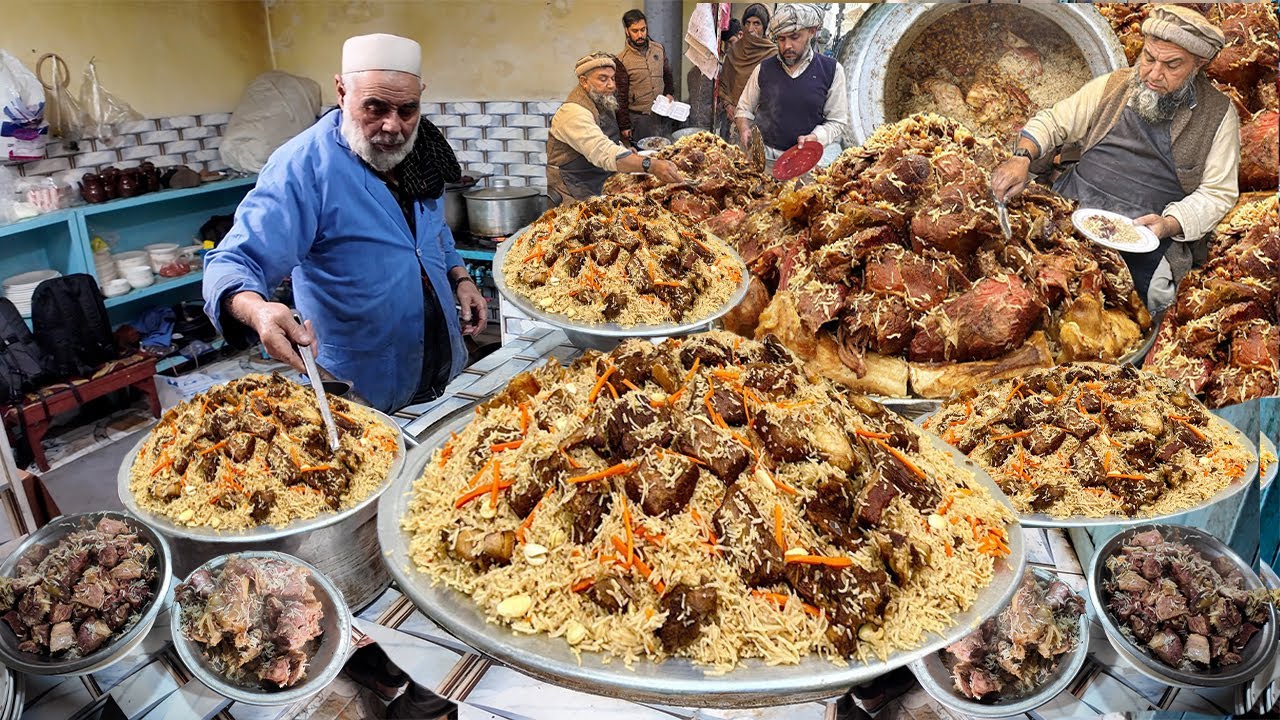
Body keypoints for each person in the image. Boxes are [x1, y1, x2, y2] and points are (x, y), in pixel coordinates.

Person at [203, 33, 486, 413]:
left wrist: (460, 277)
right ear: (340, 91)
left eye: (407, 109)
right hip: (361, 384)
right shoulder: (303, 168)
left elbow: (432, 233)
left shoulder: (422, 150)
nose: (393, 126)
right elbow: (233, 262)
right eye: (375, 107)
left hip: (442, 361)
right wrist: (257, 310)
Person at [991, 4, 1239, 311]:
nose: (1153, 73)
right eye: (1149, 57)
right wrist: (1021, 158)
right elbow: (1054, 122)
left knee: (1151, 303)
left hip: (1145, 236)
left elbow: (1218, 193)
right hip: (1072, 207)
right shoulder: (1114, 85)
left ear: (1198, 65)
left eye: (1172, 65)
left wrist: (1170, 223)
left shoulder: (1218, 115)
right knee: (1018, 278)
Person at [546, 52, 684, 204]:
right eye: (603, 79)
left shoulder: (600, 100)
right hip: (573, 188)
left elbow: (604, 137)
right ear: (584, 81)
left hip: (598, 179)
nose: (611, 85)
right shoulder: (573, 113)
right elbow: (602, 151)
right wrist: (650, 165)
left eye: (612, 78)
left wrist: (624, 150)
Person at [734, 3, 849, 161]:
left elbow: (836, 120)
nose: (787, 45)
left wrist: (816, 137)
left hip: (805, 161)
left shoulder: (832, 70)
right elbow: (744, 109)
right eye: (781, 39)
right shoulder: (763, 69)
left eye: (794, 37)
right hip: (764, 157)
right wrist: (744, 128)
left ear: (812, 32)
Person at [615, 9, 675, 142]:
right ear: (627, 31)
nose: (640, 34)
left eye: (643, 29)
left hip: (662, 113)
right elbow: (621, 96)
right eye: (635, 31)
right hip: (640, 118)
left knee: (666, 150)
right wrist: (624, 125)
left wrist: (669, 93)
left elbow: (667, 75)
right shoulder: (622, 60)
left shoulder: (658, 49)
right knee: (645, 155)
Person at [718, 4, 776, 142]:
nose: (750, 29)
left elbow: (777, 91)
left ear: (765, 27)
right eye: (747, 23)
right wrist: (728, 106)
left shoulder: (773, 54)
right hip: (731, 120)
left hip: (761, 123)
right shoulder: (734, 51)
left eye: (757, 24)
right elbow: (724, 83)